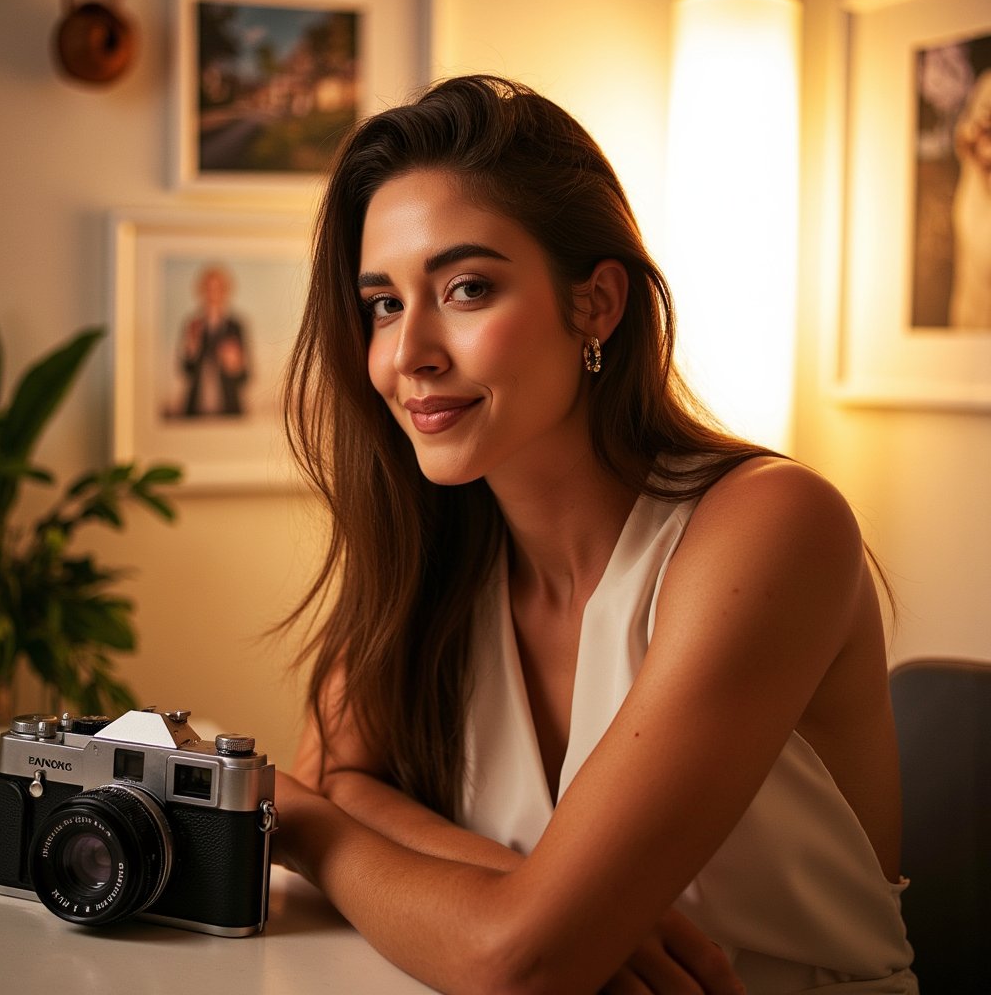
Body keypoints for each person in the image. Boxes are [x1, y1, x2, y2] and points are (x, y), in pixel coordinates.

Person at [274, 75, 918, 994]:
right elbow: (336, 776)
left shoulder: (771, 526)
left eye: (465, 289)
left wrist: (309, 830)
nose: (408, 352)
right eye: (384, 303)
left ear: (596, 305)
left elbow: (519, 960)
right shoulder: (436, 550)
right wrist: (515, 887)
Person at [176, 263, 249, 416]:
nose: (213, 294)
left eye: (218, 289)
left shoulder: (235, 327)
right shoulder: (193, 325)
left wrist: (235, 366)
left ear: (225, 291)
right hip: (196, 408)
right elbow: (186, 371)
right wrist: (192, 351)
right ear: (201, 291)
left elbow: (245, 376)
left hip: (229, 407)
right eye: (208, 289)